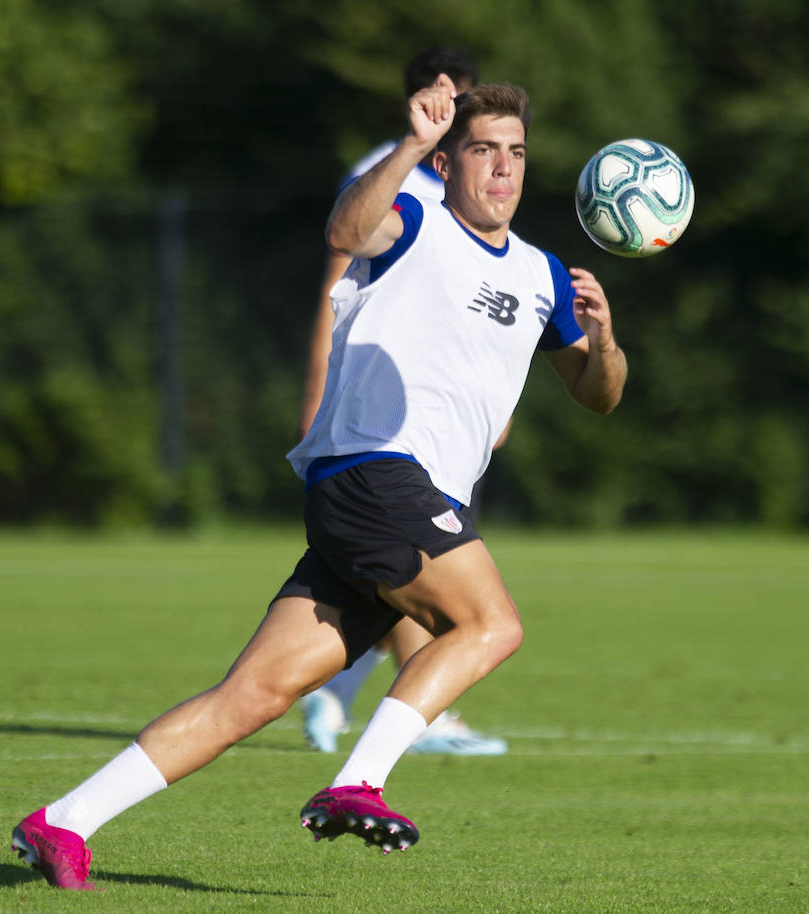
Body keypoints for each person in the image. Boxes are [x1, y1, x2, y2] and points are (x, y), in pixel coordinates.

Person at [9, 76, 627, 890]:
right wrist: (409, 145)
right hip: (377, 471)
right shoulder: (415, 221)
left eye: (515, 153)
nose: (503, 169)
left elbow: (599, 394)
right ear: (448, 164)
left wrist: (606, 338)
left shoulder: (545, 276)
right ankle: (358, 781)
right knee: (491, 624)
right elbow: (346, 226)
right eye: (484, 151)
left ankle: (62, 822)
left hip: (390, 501)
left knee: (253, 696)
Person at [296, 47, 507, 757]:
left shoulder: (479, 172)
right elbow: (340, 277)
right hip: (388, 416)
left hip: (442, 409)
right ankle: (414, 716)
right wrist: (319, 391)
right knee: (428, 572)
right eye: (437, 93)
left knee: (402, 573)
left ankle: (336, 696)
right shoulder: (395, 168)